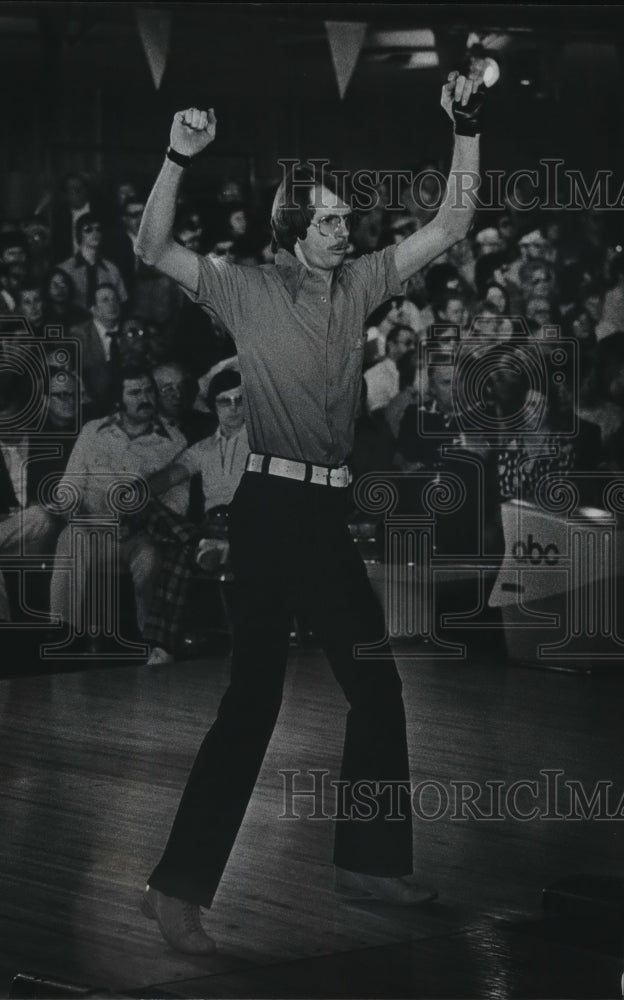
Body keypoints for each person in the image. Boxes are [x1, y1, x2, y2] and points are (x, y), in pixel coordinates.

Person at [134, 69, 484, 955]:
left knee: (378, 686)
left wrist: (466, 127)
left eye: (344, 218)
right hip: (266, 512)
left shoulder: (362, 283)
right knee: (250, 703)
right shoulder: (247, 288)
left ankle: (369, 860)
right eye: (327, 217)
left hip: (325, 523)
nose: (344, 226)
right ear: (295, 229)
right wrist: (177, 157)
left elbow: (451, 224)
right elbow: (152, 248)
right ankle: (176, 891)